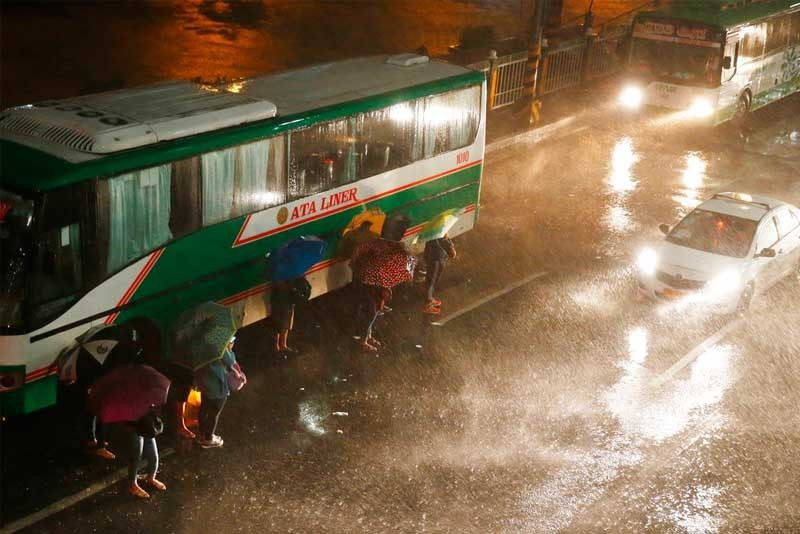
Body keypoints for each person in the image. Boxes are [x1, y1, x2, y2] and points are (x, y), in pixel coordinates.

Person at [195, 340, 238, 448]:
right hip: (217, 385)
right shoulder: (217, 343)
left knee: (204, 409)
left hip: (204, 383)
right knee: (214, 413)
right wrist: (230, 348)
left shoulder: (197, 346)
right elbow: (230, 361)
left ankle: (201, 434)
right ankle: (208, 438)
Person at [127, 407, 166, 498]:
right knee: (136, 456)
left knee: (153, 455)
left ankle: (151, 477)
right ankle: (132, 484)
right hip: (135, 423)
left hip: (147, 421)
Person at [270, 277, 310, 354]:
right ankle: (281, 345)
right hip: (284, 300)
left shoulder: (278, 273)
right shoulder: (287, 275)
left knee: (280, 323)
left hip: (279, 299)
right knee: (284, 323)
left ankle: (279, 346)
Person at [422, 235, 457, 315]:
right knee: (432, 282)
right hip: (437, 258)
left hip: (433, 256)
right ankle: (428, 304)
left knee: (431, 279)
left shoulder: (433, 229)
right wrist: (450, 247)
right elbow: (442, 238)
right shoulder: (438, 230)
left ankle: (429, 298)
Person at [362, 285, 391, 352]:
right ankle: (364, 342)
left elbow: (380, 304)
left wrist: (382, 305)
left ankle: (369, 337)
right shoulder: (375, 285)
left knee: (373, 318)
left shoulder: (381, 287)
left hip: (373, 302)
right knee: (370, 318)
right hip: (369, 302)